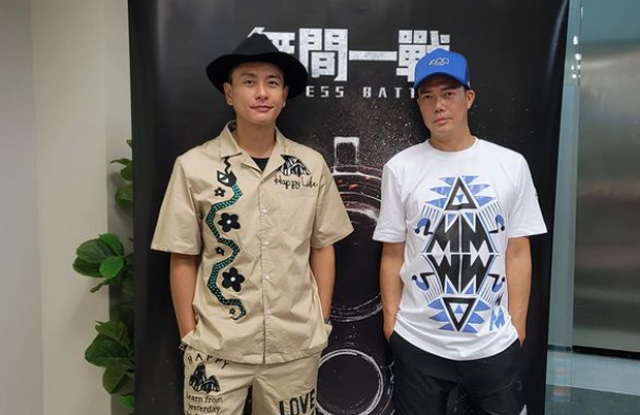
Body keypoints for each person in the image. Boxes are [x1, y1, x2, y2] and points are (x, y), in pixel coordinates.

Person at [151, 33, 353, 415]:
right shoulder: (194, 167)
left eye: (272, 82)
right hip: (215, 348)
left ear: (284, 95)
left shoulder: (310, 166)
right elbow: (183, 255)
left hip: (294, 347)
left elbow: (323, 246)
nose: (261, 93)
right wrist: (190, 335)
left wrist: (321, 319)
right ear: (229, 93)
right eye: (249, 82)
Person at [373, 48, 547, 415]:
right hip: (418, 341)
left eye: (449, 94)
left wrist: (517, 326)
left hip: (492, 343)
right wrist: (392, 326)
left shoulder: (510, 165)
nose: (438, 105)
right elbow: (392, 253)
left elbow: (517, 252)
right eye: (427, 96)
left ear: (469, 97)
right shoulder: (400, 168)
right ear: (418, 104)